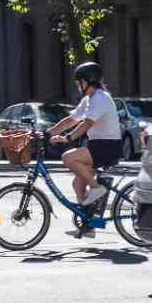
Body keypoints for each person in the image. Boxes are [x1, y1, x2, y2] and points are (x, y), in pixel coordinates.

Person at [45, 61, 121, 237]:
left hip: (107, 146)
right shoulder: (89, 99)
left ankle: (96, 188)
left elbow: (87, 123)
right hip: (97, 145)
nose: (78, 85)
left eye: (79, 81)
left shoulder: (101, 98)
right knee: (77, 184)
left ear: (89, 81)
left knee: (68, 157)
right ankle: (89, 226)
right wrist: (48, 133)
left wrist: (67, 138)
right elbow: (72, 120)